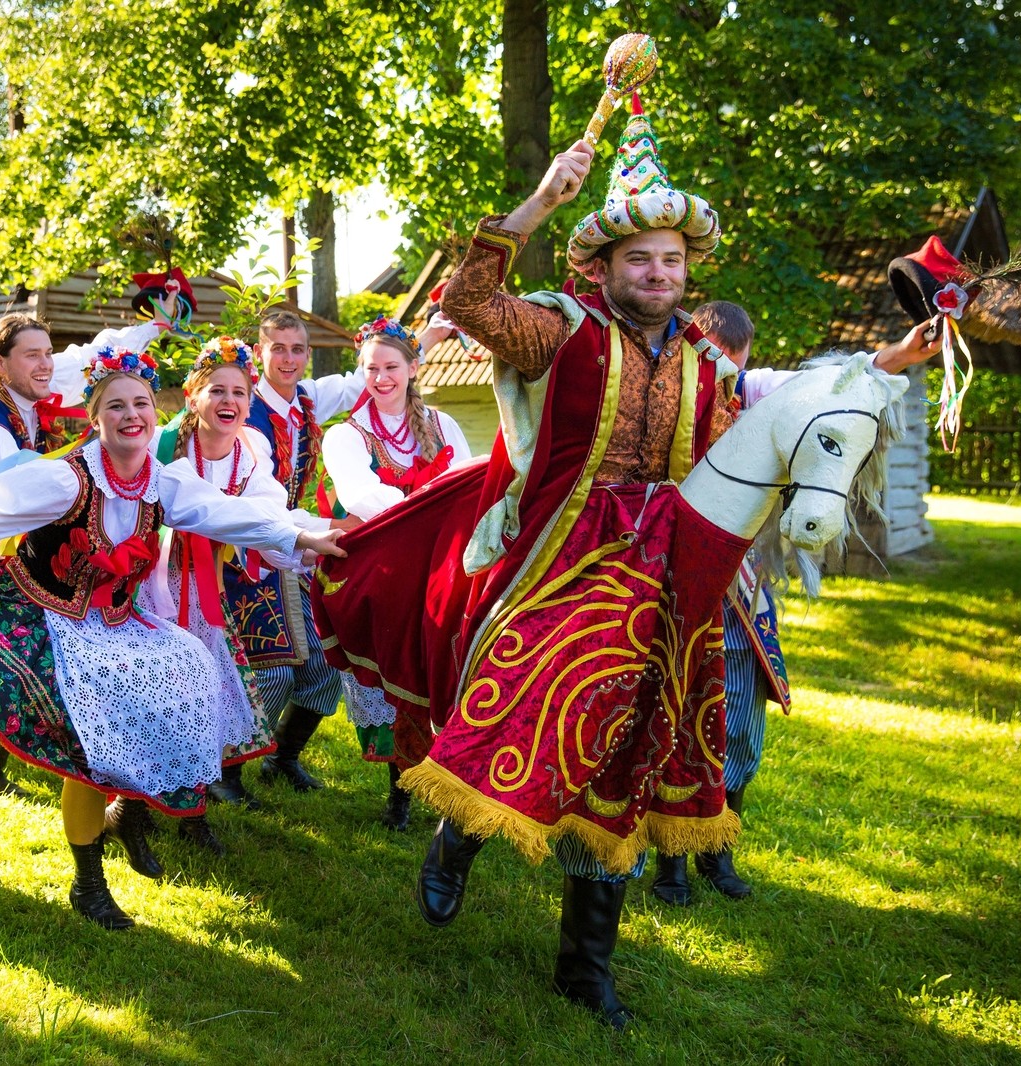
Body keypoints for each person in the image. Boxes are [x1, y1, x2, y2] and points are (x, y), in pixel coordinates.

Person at [312, 69, 939, 1027]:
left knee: (640, 741)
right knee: (546, 683)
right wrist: (539, 202)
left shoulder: (706, 361)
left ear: (689, 272)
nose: (657, 273)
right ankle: (458, 834)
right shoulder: (557, 329)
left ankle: (585, 966)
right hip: (559, 556)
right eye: (639, 259)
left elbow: (782, 404)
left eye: (670, 261)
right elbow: (470, 300)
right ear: (603, 266)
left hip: (671, 568)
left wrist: (886, 362)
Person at [0, 349, 344, 929]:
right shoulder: (63, 479)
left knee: (191, 667)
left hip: (117, 621)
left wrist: (300, 537)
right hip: (49, 614)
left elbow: (225, 514)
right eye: (116, 406)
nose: (131, 415)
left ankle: (129, 814)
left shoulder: (162, 481)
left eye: (141, 404)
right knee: (88, 751)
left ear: (156, 412)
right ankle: (88, 883)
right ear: (95, 418)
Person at [0, 301, 178, 798]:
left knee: (11, 653)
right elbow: (15, 486)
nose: (46, 364)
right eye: (32, 355)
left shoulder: (27, 393)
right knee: (6, 654)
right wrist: (86, 461)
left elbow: (91, 355)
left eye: (47, 352)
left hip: (18, 547)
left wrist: (154, 326)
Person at [144, 336, 325, 829]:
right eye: (217, 391)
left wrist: (303, 541)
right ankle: (144, 797)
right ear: (192, 396)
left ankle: (207, 790)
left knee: (229, 683)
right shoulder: (164, 446)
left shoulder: (251, 448)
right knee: (168, 688)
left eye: (239, 392)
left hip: (224, 580)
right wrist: (296, 536)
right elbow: (196, 511)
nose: (229, 401)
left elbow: (268, 513)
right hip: (160, 580)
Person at [649, 300, 793, 905]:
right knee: (676, 719)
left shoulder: (756, 396)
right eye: (718, 359)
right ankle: (670, 863)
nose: (728, 372)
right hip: (675, 576)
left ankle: (718, 849)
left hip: (741, 587)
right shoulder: (668, 395)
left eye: (738, 361)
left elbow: (809, 387)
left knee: (741, 723)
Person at [320, 317, 473, 829]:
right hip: (380, 560)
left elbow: (463, 482)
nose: (381, 378)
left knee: (448, 656)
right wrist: (427, 507)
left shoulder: (442, 425)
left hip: (438, 559)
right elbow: (360, 495)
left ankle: (448, 777)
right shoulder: (346, 435)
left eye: (391, 367)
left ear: (413, 368)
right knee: (392, 664)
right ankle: (400, 793)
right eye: (371, 369)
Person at [217, 311, 363, 797]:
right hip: (245, 553)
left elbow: (366, 376)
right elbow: (260, 507)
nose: (288, 358)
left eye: (297, 349)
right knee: (273, 670)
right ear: (259, 352)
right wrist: (326, 527)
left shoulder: (305, 399)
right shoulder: (246, 416)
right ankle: (226, 771)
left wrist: (427, 335)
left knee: (327, 665)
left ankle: (282, 757)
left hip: (295, 547)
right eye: (277, 348)